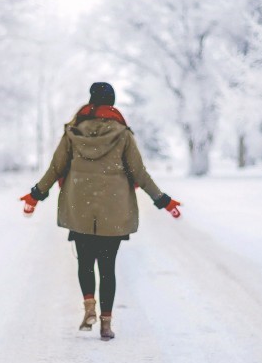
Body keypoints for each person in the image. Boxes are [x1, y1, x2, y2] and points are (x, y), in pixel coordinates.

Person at [20, 82, 181, 341]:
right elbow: (139, 173)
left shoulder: (73, 132)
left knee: (85, 263)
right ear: (112, 103)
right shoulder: (123, 134)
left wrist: (36, 194)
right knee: (107, 268)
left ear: (92, 101)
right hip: (113, 211)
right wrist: (164, 200)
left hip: (79, 207)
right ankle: (106, 325)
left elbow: (56, 168)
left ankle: (89, 308)